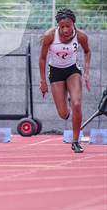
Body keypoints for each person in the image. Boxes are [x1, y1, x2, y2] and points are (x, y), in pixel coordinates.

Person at [39, 8, 91, 153]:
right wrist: (43, 82)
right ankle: (68, 102)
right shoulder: (50, 35)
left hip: (72, 70)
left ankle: (75, 141)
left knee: (77, 103)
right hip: (55, 72)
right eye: (62, 27)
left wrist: (86, 72)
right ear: (58, 26)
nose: (66, 29)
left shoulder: (80, 36)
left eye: (68, 26)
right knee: (63, 114)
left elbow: (87, 51)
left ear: (73, 23)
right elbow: (42, 58)